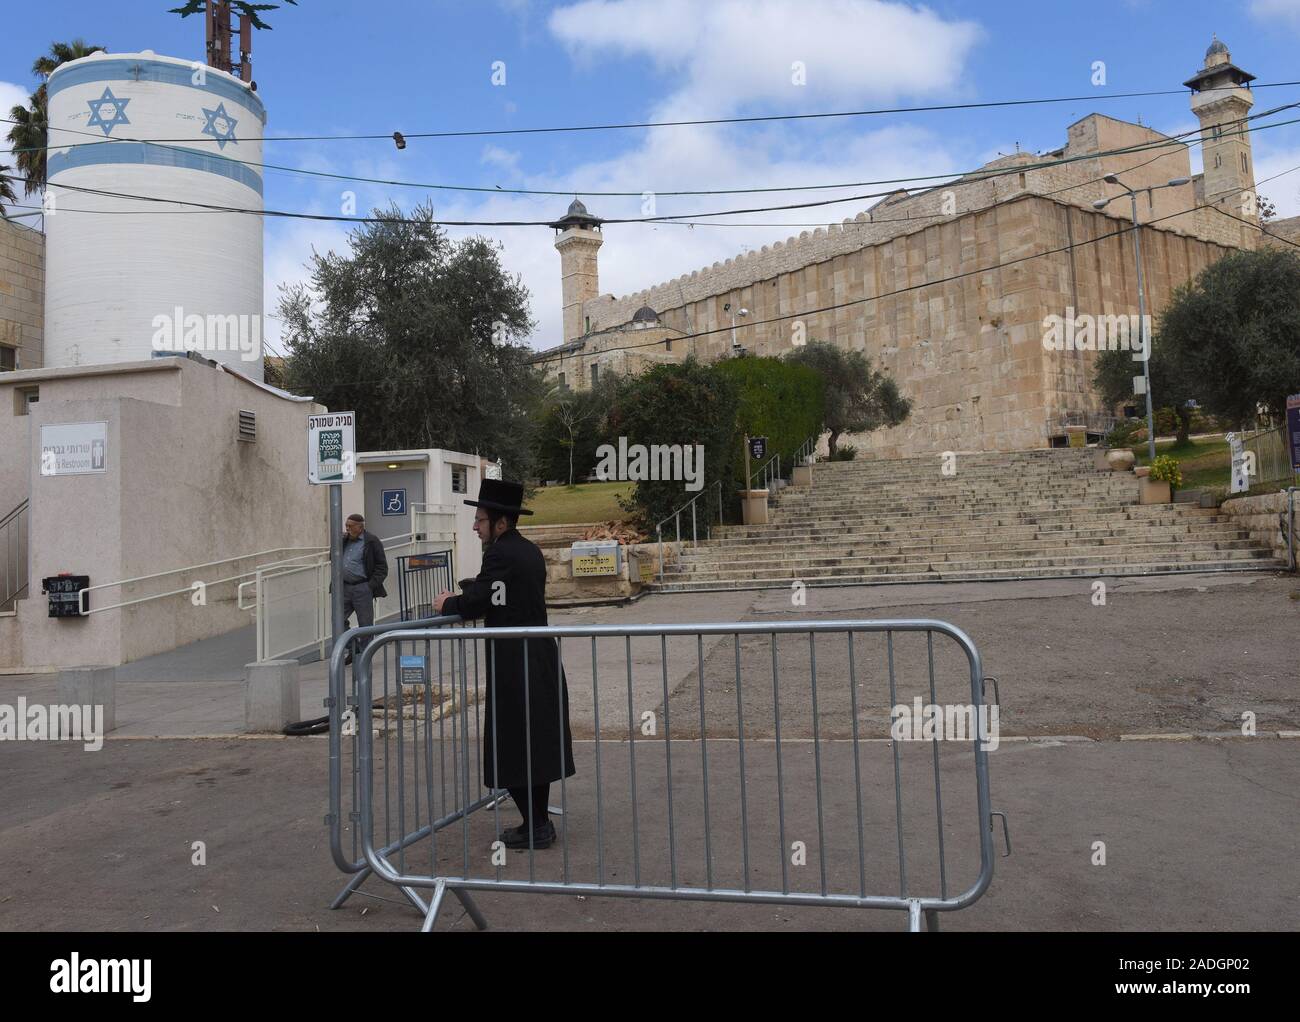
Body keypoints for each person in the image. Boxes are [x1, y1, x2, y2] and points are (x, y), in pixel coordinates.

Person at [434, 479, 576, 850]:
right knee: (533, 742)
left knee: (512, 742)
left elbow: (481, 600)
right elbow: (500, 595)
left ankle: (536, 826)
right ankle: (538, 822)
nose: (475, 526)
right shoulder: (528, 551)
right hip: (537, 656)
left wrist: (449, 602)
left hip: (516, 663)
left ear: (500, 522)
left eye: (480, 519)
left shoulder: (499, 554)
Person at [341, 513, 388, 664]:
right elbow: (333, 557)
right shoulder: (343, 540)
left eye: (350, 526)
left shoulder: (371, 541)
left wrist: (370, 586)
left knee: (365, 624)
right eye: (346, 526)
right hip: (344, 587)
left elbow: (382, 567)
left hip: (362, 587)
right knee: (337, 620)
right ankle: (354, 647)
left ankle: (365, 657)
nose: (347, 529)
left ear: (360, 527)